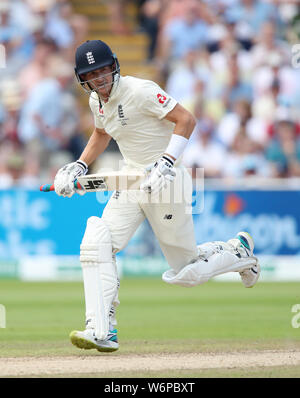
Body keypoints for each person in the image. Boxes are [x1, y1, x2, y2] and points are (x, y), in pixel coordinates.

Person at [53, 39, 260, 353]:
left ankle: (238, 251)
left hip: (167, 181)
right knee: (97, 241)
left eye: (104, 71)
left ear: (114, 67)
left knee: (187, 272)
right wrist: (80, 165)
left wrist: (165, 162)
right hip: (131, 179)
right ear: (83, 79)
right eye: (92, 75)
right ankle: (102, 329)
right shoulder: (98, 102)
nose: (100, 79)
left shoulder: (139, 91)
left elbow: (186, 119)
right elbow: (101, 132)